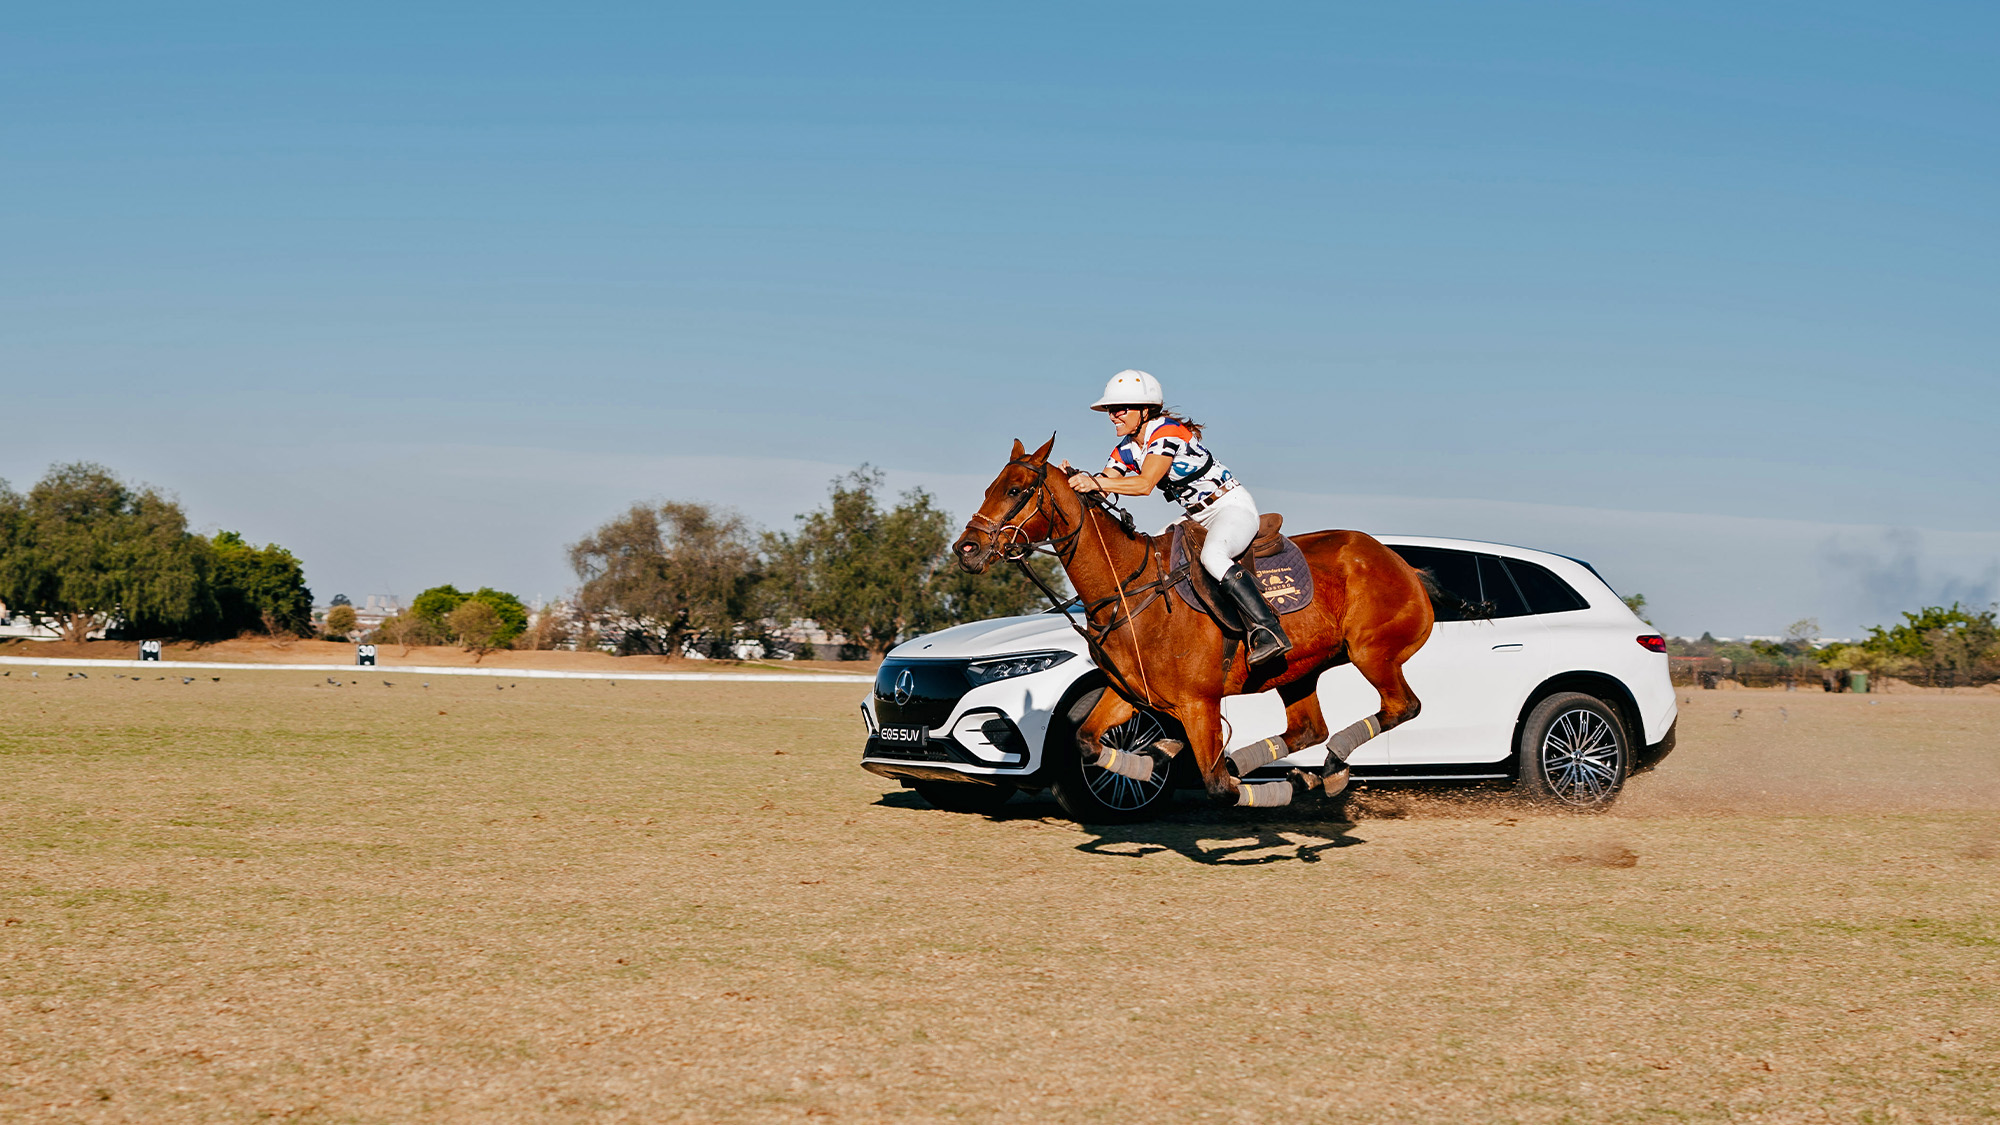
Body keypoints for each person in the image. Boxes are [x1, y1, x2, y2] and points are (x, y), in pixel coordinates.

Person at [1062, 369, 1293, 664]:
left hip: (1230, 507)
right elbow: (1104, 485)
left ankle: (1268, 630)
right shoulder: (1127, 449)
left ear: (1144, 410)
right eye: (1109, 410)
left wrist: (1096, 482)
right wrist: (1073, 480)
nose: (1112, 416)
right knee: (1159, 557)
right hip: (1196, 517)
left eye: (1118, 409)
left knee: (1214, 558)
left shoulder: (1166, 432)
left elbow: (1145, 484)